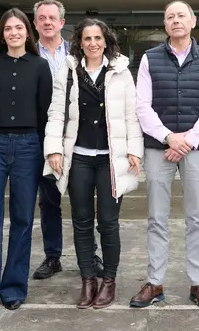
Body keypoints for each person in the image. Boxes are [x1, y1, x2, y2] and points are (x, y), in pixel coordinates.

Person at [45, 18, 143, 309]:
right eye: (87, 38)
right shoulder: (69, 71)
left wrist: (134, 150)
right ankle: (88, 279)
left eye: (98, 38)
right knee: (82, 222)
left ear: (106, 40)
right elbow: (56, 113)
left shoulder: (121, 72)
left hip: (111, 160)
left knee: (109, 223)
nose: (93, 43)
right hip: (80, 160)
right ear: (80, 42)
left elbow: (131, 115)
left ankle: (108, 280)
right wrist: (53, 150)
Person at [132, 0, 199, 308]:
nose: (176, 20)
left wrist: (188, 140)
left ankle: (197, 282)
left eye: (181, 15)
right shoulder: (149, 58)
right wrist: (169, 137)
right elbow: (142, 106)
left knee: (196, 218)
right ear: (165, 23)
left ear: (193, 21)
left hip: (195, 150)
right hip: (158, 148)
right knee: (157, 217)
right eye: (170, 16)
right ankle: (155, 283)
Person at [0, 8, 53, 318]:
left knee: (22, 219)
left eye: (19, 27)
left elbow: (45, 112)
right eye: (8, 28)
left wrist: (46, 150)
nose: (14, 32)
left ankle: (13, 289)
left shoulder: (41, 66)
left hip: (30, 147)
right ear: (1, 34)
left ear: (28, 32)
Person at [30, 0, 104, 280]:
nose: (47, 22)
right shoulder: (27, 53)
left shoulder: (76, 55)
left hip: (76, 135)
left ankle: (90, 254)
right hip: (42, 135)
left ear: (62, 23)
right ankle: (53, 257)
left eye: (52, 18)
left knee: (82, 199)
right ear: (35, 23)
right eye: (41, 18)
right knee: (48, 199)